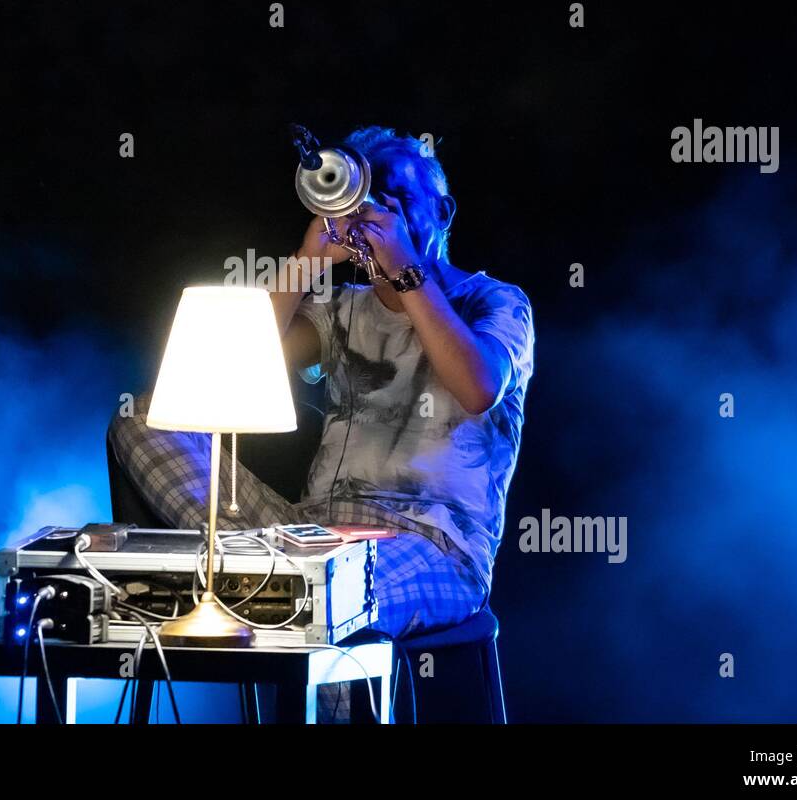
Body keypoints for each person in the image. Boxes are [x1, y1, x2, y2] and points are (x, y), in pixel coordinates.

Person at [108, 125, 534, 646]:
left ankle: (271, 592)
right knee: (144, 417)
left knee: (333, 602)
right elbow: (227, 377)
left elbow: (477, 389)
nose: (381, 216)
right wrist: (308, 260)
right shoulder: (344, 307)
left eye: (397, 198)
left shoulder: (496, 302)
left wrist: (405, 271)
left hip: (435, 543)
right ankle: (263, 581)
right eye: (367, 200)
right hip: (312, 535)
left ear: (442, 213)